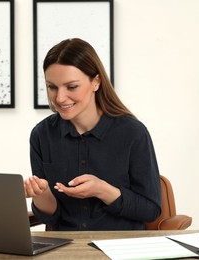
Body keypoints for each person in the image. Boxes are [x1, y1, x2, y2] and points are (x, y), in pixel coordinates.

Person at [24, 38, 161, 231]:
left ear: (96, 82)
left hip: (122, 249)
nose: (59, 98)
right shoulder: (41, 135)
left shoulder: (133, 133)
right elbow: (51, 218)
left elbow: (151, 210)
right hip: (66, 250)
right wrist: (42, 193)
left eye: (71, 87)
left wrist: (102, 190)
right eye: (52, 87)